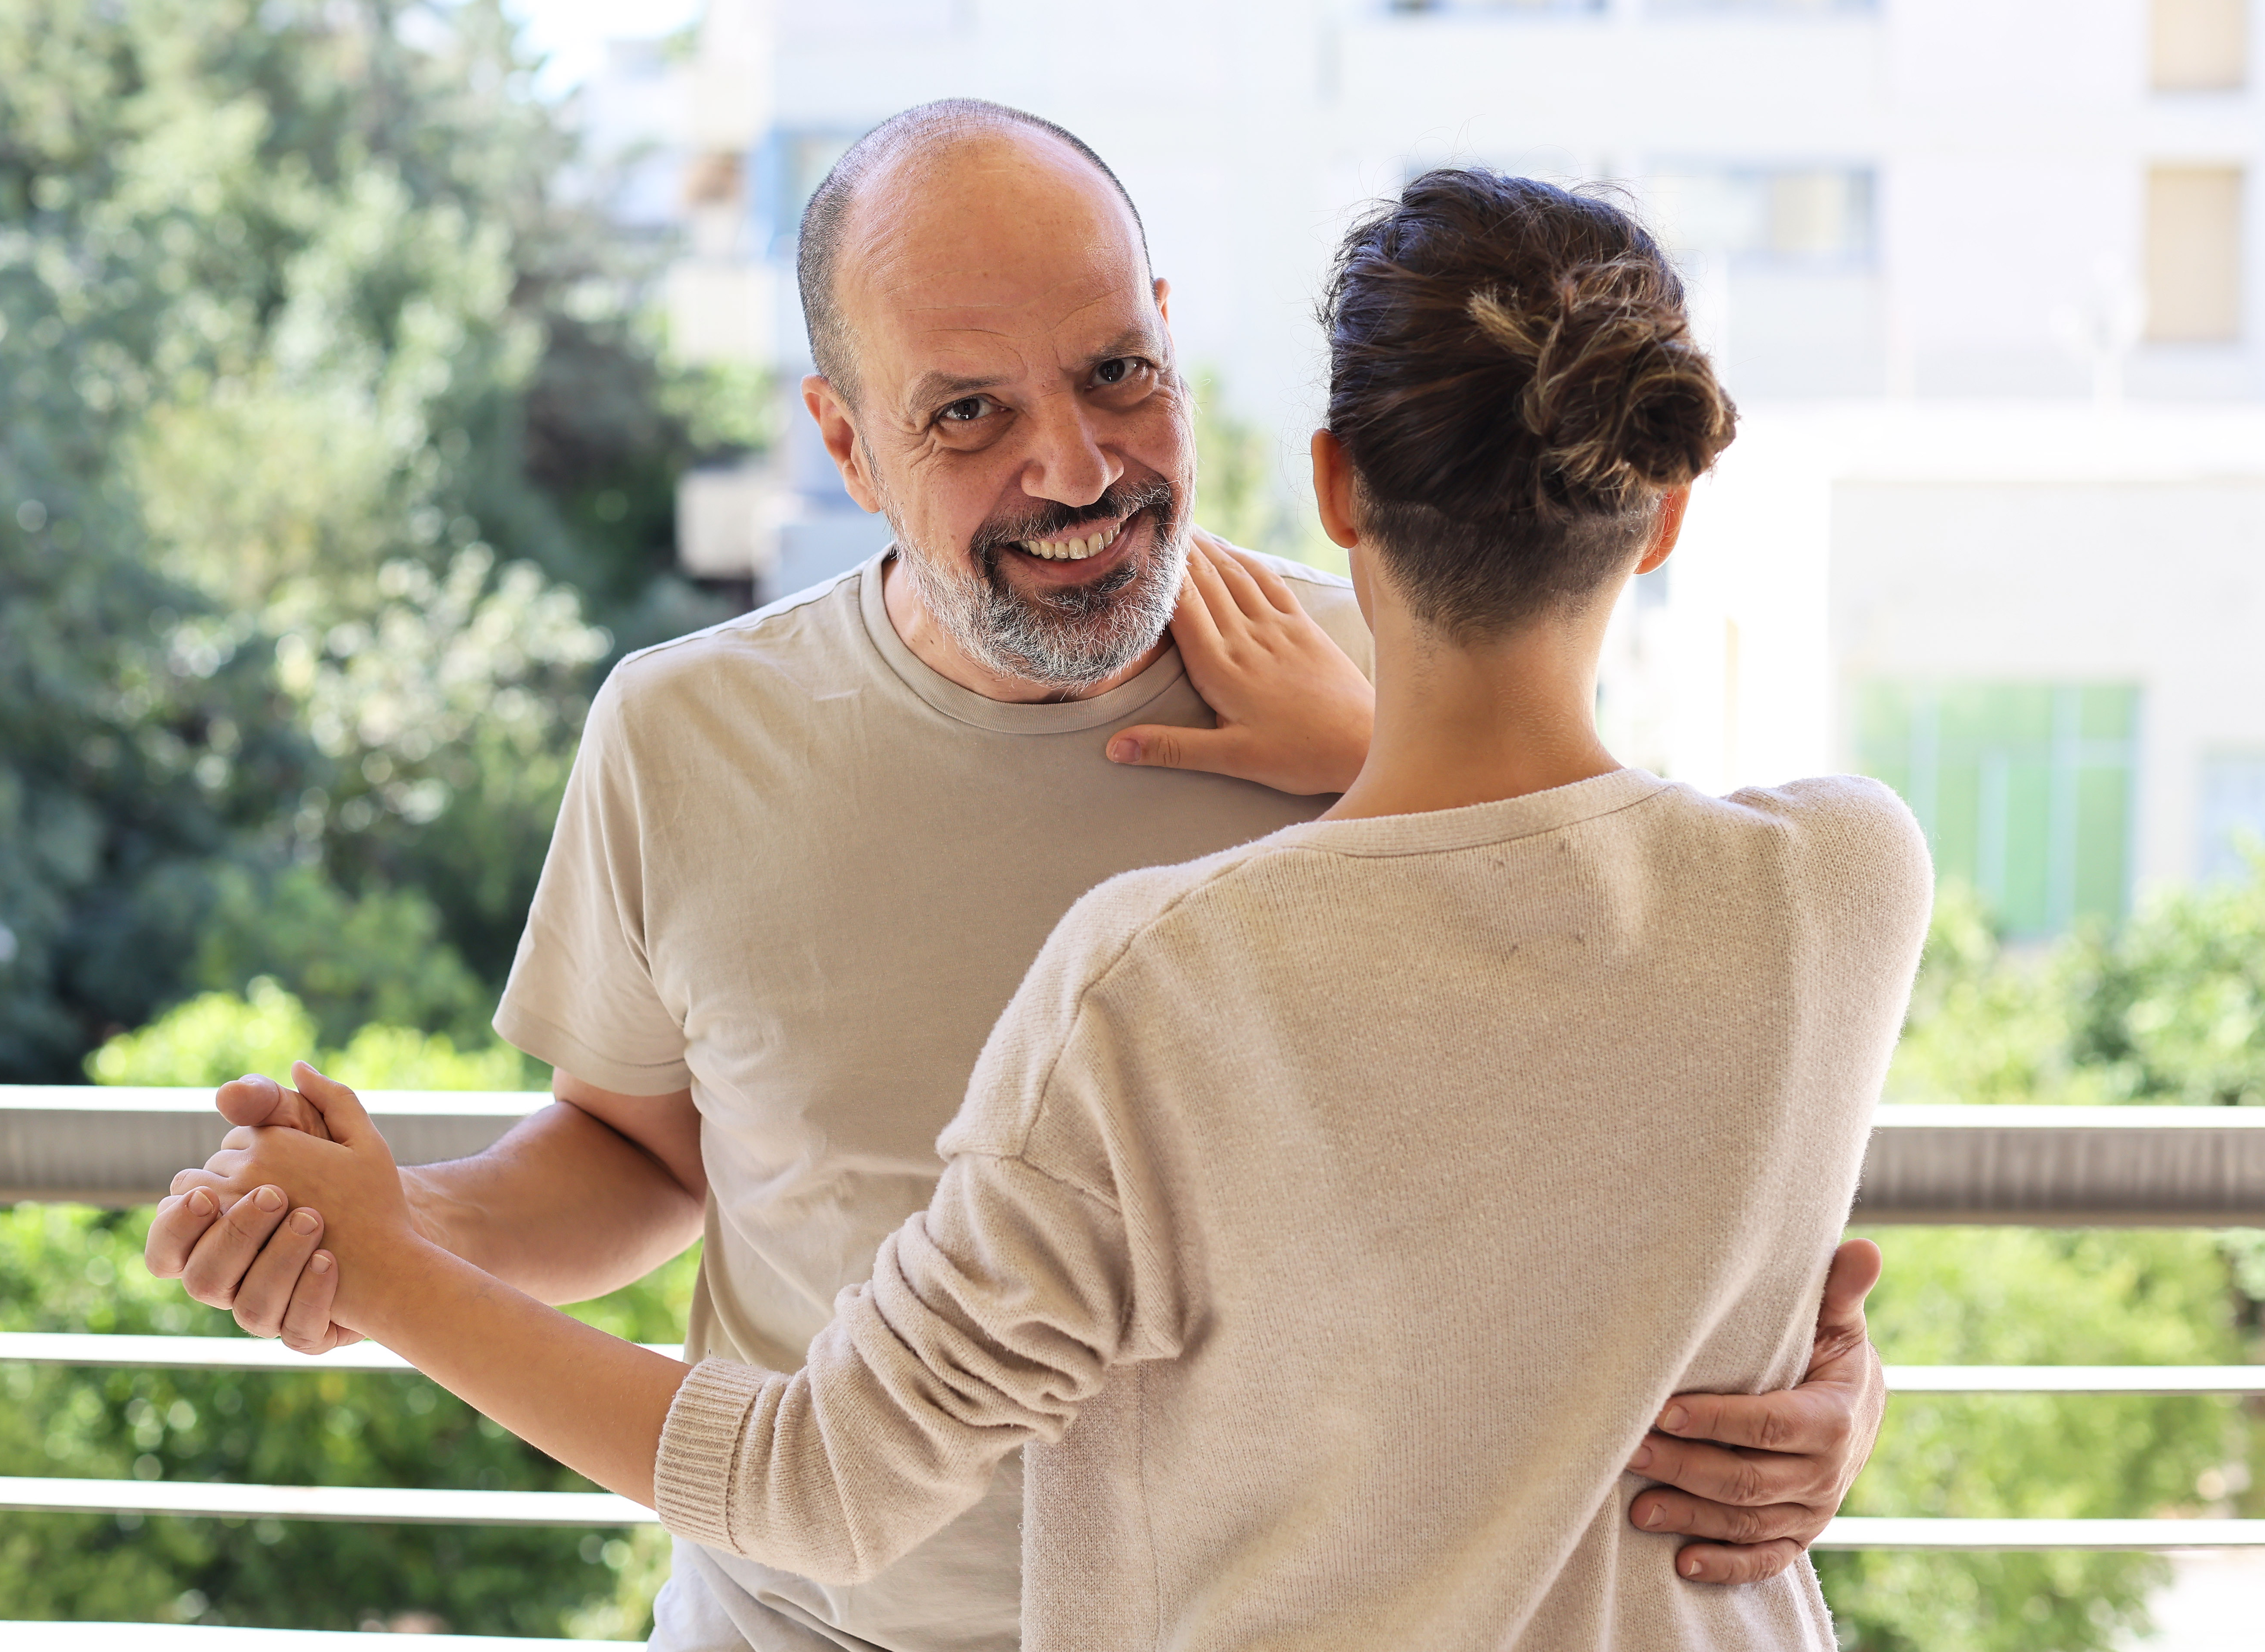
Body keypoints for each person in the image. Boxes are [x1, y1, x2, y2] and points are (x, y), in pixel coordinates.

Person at [147, 105, 1892, 1651]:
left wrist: (1803, 1393)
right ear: (847, 446)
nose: (1073, 469)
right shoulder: (685, 736)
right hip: (796, 1618)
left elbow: (1605, 1072)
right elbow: (634, 1149)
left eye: (1117, 372)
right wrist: (400, 1231)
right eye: (969, 412)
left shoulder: (1394, 648)